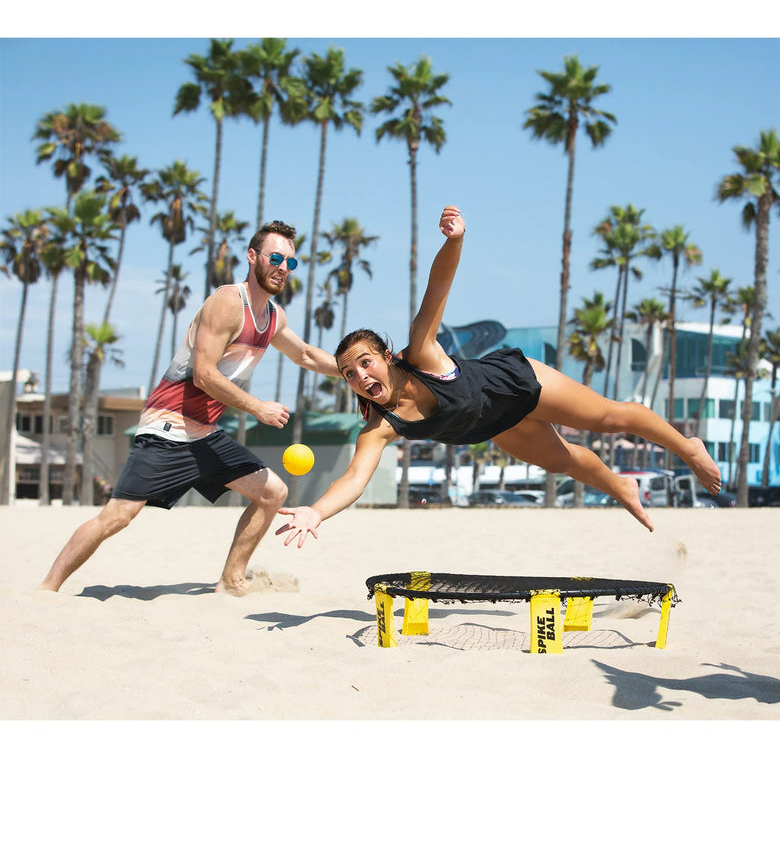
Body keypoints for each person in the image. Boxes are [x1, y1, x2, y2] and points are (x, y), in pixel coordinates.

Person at [276, 204, 721, 545]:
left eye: (365, 362)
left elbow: (438, 288)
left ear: (388, 357)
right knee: (565, 461)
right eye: (350, 374)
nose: (359, 375)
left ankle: (687, 446)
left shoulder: (422, 352)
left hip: (514, 382)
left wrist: (454, 242)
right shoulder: (378, 428)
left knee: (608, 418)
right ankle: (621, 487)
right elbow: (354, 479)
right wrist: (315, 512)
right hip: (493, 424)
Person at [39, 220, 343, 596]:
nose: (282, 267)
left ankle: (231, 581)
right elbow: (203, 375)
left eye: (290, 263)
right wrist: (258, 408)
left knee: (272, 492)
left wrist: (356, 369)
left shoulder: (274, 318)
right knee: (117, 516)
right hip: (168, 426)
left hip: (203, 434)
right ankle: (46, 589)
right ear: (253, 257)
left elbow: (308, 355)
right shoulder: (228, 302)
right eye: (276, 258)